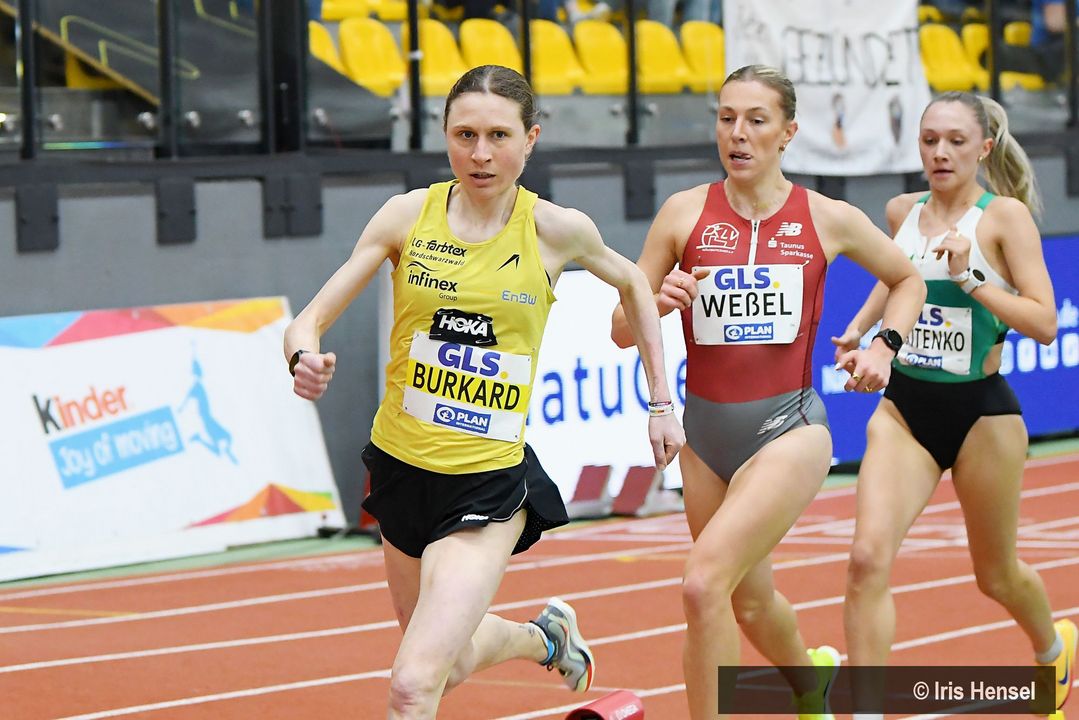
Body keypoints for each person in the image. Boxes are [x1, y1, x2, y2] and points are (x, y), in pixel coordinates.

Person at [284, 64, 685, 719]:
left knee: (413, 684)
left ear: (529, 139)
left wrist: (660, 402)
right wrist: (303, 356)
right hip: (398, 468)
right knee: (449, 665)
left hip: (485, 482)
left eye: (498, 135)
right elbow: (308, 319)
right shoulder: (406, 216)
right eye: (463, 134)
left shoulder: (556, 229)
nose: (479, 153)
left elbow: (634, 284)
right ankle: (543, 636)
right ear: (442, 135)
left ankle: (534, 636)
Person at [610, 64, 926, 720]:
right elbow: (620, 328)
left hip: (787, 427)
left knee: (702, 586)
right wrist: (659, 301)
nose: (738, 133)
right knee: (747, 602)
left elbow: (908, 281)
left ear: (787, 133)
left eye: (755, 121)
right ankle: (812, 687)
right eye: (726, 118)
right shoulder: (683, 213)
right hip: (703, 435)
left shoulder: (826, 217)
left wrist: (881, 346)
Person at [836, 91, 1076, 718]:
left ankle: (1053, 648)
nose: (939, 152)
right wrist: (860, 332)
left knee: (994, 576)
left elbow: (1046, 322)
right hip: (905, 406)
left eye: (955, 141)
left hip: (982, 415)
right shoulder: (899, 210)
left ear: (984, 149)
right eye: (929, 140)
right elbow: (897, 280)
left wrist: (972, 279)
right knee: (865, 559)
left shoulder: (1005, 220)